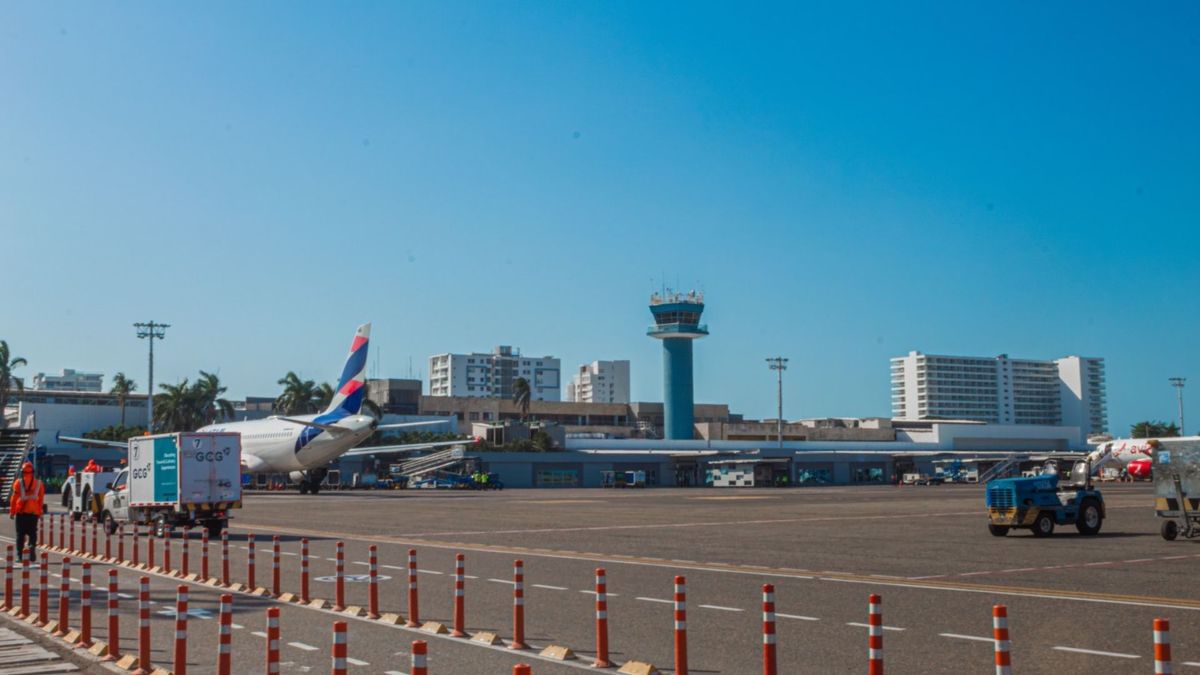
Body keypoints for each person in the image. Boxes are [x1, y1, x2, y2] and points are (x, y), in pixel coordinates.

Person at [9, 462, 45, 562]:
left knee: (20, 535)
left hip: (21, 514)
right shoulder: (39, 484)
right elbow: (41, 500)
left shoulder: (18, 483)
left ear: (22, 472)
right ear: (33, 472)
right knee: (33, 533)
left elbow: (14, 498)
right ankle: (31, 546)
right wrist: (40, 512)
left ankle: (19, 556)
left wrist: (12, 512)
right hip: (33, 514)